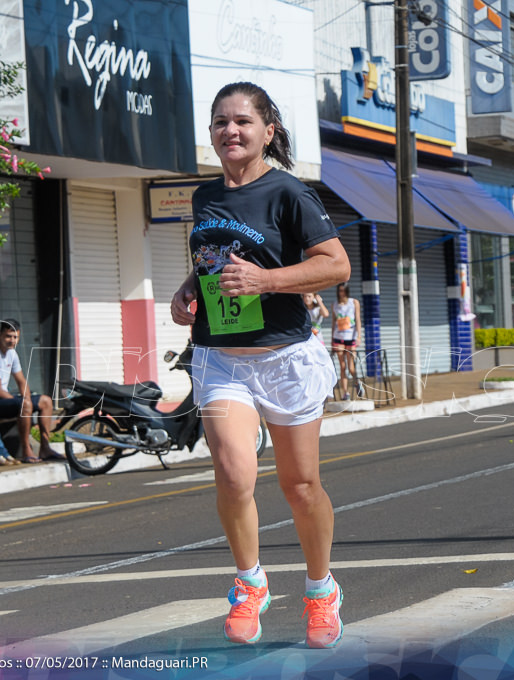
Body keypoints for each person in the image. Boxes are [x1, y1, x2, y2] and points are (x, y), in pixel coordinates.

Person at [171, 82, 350, 649]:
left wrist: (268, 281)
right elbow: (214, 262)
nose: (231, 131)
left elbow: (335, 265)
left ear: (268, 131)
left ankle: (321, 591)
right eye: (220, 121)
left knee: (300, 486)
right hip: (221, 357)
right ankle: (250, 583)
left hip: (284, 358)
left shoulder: (289, 193)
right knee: (232, 472)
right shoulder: (203, 199)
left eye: (243, 121)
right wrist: (187, 290)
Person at [0, 319, 62, 463]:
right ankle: (26, 450)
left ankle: (45, 447)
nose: (12, 340)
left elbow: (21, 380)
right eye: (8, 336)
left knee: (46, 401)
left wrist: (27, 397)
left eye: (15, 337)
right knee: (25, 405)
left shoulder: (12, 353)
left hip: (8, 397)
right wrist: (25, 402)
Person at [331, 282, 363, 400]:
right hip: (338, 337)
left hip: (351, 337)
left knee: (351, 366)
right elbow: (333, 322)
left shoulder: (354, 303)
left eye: (344, 290)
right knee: (342, 366)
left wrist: (359, 336)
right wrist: (332, 339)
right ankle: (345, 393)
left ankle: (356, 383)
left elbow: (358, 319)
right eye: (340, 290)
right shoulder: (334, 304)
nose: (342, 293)